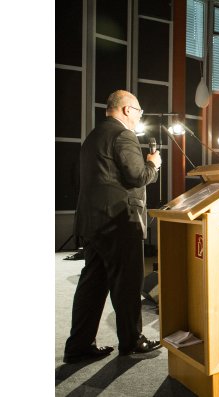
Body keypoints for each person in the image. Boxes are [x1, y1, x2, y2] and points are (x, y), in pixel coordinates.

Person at [63, 90, 162, 363]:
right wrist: (153, 165)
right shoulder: (123, 135)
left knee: (92, 286)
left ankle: (79, 346)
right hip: (118, 223)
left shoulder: (94, 136)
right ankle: (131, 341)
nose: (140, 115)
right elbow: (137, 176)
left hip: (94, 223)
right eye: (139, 110)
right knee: (128, 285)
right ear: (127, 110)